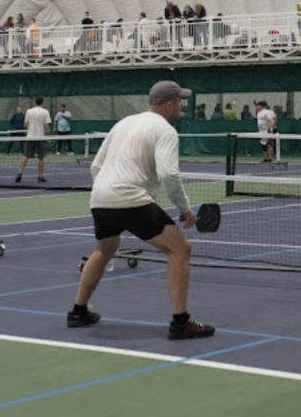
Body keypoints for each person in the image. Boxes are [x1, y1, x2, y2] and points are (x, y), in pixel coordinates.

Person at [69, 81, 214, 339]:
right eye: (180, 100)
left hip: (101, 197)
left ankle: (78, 311)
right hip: (131, 198)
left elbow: (96, 166)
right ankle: (181, 322)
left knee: (104, 250)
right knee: (180, 249)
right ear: (169, 103)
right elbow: (169, 174)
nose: (182, 105)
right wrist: (186, 209)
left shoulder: (123, 123)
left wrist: (107, 192)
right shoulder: (165, 130)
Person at [16, 97, 51, 183]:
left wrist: (31, 130)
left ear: (35, 102)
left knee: (25, 156)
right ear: (42, 102)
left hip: (30, 137)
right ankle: (41, 176)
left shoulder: (29, 111)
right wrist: (48, 136)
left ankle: (20, 173)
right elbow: (46, 126)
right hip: (40, 138)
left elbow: (25, 124)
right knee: (41, 157)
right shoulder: (45, 112)